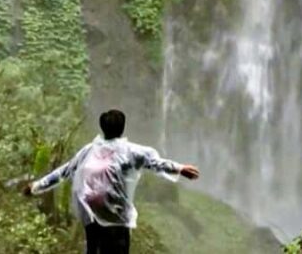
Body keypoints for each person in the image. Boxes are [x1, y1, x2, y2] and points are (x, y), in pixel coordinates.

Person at [23, 109, 200, 254]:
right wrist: (179, 168)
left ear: (102, 128)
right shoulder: (131, 151)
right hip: (116, 222)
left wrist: (36, 186)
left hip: (91, 217)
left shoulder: (88, 150)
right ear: (122, 128)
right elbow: (154, 163)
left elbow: (64, 171)